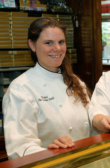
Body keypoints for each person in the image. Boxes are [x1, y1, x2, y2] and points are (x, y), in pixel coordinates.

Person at [3, 18, 91, 159]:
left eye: (61, 42)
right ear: (32, 45)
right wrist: (51, 152)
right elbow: (20, 147)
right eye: (48, 43)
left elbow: (92, 127)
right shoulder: (21, 89)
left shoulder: (76, 82)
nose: (57, 48)